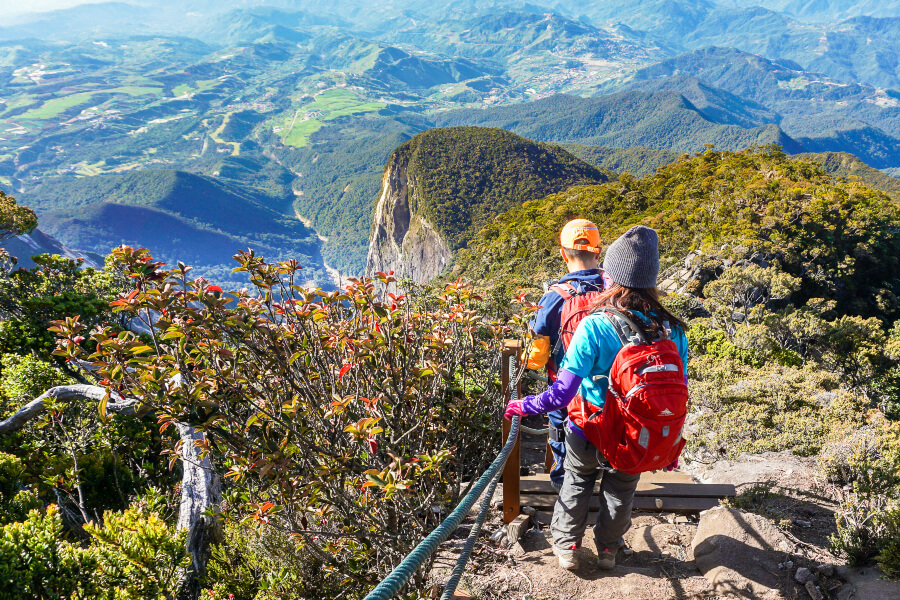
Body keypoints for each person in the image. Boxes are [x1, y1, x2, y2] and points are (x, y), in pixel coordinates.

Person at [506, 225, 689, 571]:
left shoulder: (596, 325)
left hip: (589, 424)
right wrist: (669, 442)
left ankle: (567, 547)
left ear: (613, 274)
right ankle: (608, 550)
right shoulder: (673, 329)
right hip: (637, 430)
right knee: (621, 488)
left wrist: (522, 405)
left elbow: (562, 393)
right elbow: (674, 389)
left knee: (577, 479)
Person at [525, 219, 607, 491]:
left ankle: (567, 495)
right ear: (598, 251)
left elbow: (535, 359)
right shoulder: (615, 292)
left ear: (563, 253)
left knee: (565, 448)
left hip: (565, 394)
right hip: (613, 391)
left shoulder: (553, 298)